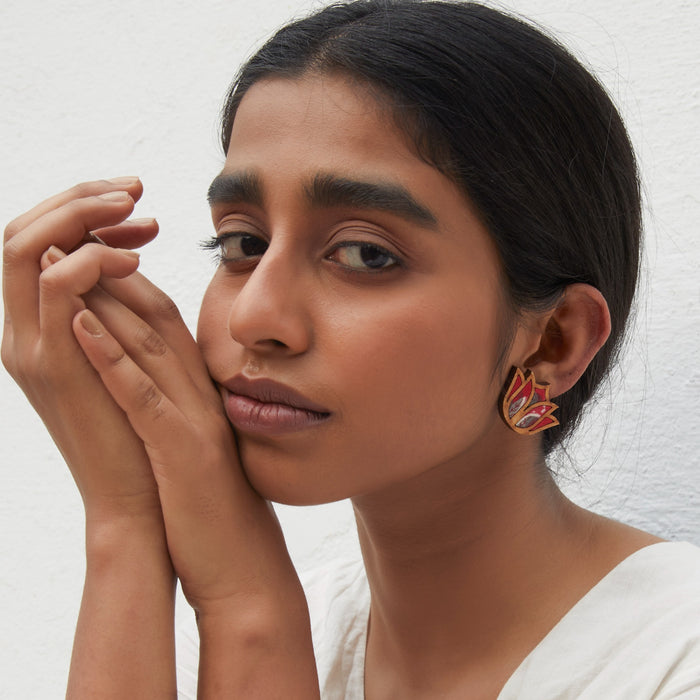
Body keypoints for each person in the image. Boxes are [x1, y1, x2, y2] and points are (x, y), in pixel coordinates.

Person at [3, 0, 700, 697]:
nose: (254, 316)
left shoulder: (673, 660)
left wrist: (253, 613)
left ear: (554, 341)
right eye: (243, 244)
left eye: (366, 255)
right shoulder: (213, 638)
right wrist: (125, 519)